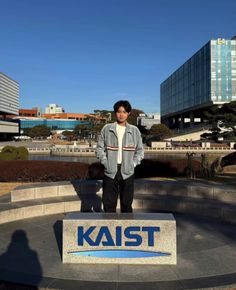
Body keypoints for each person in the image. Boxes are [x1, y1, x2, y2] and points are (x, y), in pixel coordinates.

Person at [96, 100, 144, 213]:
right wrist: (105, 162)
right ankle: (109, 227)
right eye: (118, 112)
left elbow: (140, 151)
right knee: (108, 204)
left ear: (128, 113)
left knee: (127, 205)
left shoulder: (134, 130)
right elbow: (99, 148)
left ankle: (125, 228)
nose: (121, 114)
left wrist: (133, 164)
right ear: (115, 113)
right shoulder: (107, 129)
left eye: (124, 112)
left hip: (128, 172)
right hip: (110, 171)